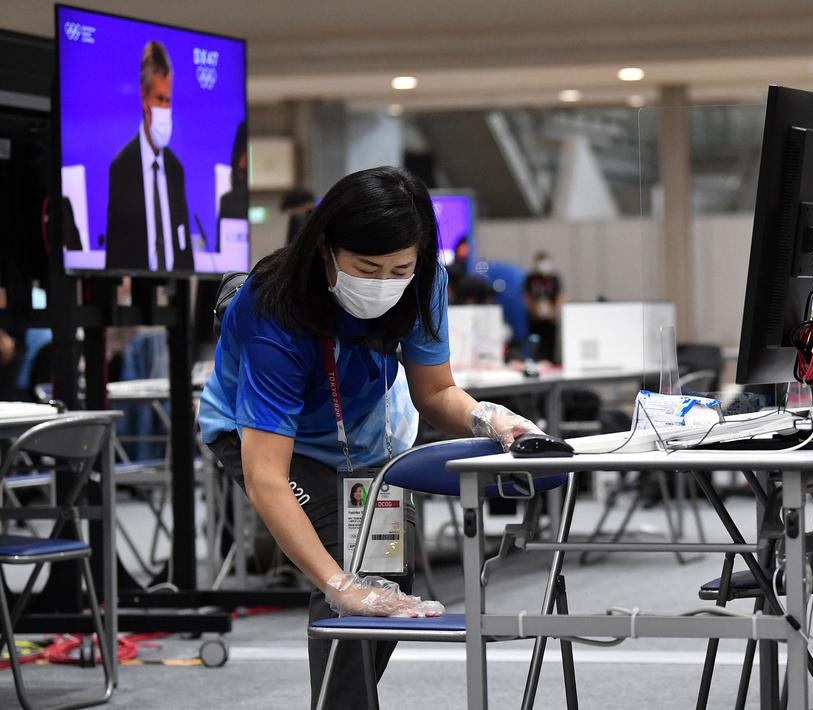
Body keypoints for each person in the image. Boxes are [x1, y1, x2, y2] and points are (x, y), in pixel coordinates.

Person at [197, 166, 541, 709]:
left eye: (398, 269)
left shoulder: (424, 279)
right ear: (326, 247)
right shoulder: (273, 309)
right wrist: (339, 586)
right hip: (259, 436)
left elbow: (435, 393)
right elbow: (266, 478)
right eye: (367, 268)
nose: (384, 283)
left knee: (385, 576)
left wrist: (492, 420)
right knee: (345, 567)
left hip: (365, 435)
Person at [104, 41, 193, 272]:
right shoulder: (122, 167)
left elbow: (184, 249)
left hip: (175, 292)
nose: (164, 109)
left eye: (168, 101)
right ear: (144, 97)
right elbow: (115, 253)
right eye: (159, 99)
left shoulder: (175, 170)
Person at [523, 250, 563, 362]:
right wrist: (532, 311)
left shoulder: (554, 278)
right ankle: (535, 359)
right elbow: (526, 296)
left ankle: (550, 361)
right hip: (535, 317)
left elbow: (559, 296)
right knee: (535, 341)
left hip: (550, 317)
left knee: (550, 342)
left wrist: (554, 312)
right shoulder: (531, 278)